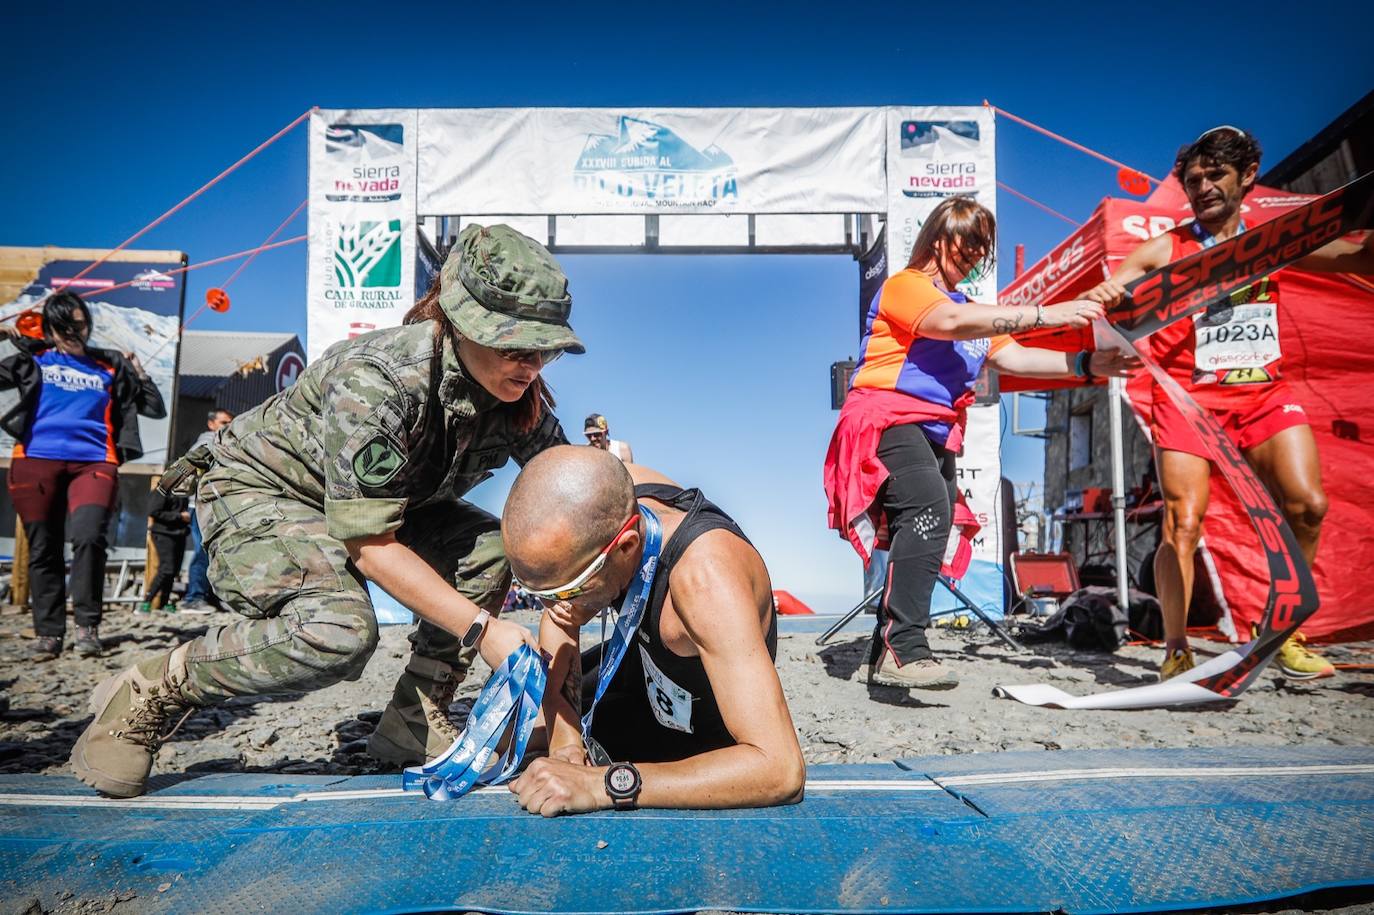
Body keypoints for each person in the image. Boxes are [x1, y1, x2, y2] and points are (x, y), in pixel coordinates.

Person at [70, 224, 583, 798]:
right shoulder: (380, 380)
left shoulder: (512, 394)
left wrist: (646, 500)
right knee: (339, 631)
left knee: (491, 549)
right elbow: (373, 546)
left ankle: (414, 720)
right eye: (513, 344)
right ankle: (159, 686)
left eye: (544, 348)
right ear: (460, 322)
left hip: (374, 510)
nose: (532, 363)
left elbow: (573, 481)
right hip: (264, 491)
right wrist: (482, 628)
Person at [1083, 126, 1374, 681]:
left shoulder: (1275, 239)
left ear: (1246, 177)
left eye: (1215, 175)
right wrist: (1106, 292)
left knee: (1308, 504)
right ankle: (1175, 649)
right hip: (1191, 400)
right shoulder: (1169, 246)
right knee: (1182, 524)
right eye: (1193, 179)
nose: (1203, 186)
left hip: (1263, 393)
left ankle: (1284, 630)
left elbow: (1359, 261)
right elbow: (1116, 288)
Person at [824, 195, 1139, 690]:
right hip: (885, 415)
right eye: (964, 240)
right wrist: (1050, 312)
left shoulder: (972, 311)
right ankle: (904, 649)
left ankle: (889, 643)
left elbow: (1017, 360)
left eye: (980, 246)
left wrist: (1086, 367)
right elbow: (944, 324)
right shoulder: (907, 286)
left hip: (936, 429)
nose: (971, 252)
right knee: (927, 506)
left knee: (930, 520)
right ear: (936, 235)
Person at [502, 446, 804, 816]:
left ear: (626, 546)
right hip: (639, 658)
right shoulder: (617, 489)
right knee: (506, 732)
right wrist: (564, 741)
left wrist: (601, 785)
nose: (551, 608)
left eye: (564, 592)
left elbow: (780, 769)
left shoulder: (706, 583)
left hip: (695, 724)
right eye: (538, 593)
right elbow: (560, 620)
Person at [0, 291, 166, 660]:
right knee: (43, 547)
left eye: (81, 324)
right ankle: (49, 634)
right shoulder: (33, 359)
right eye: (65, 326)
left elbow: (154, 408)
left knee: (90, 538)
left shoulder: (109, 364)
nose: (75, 332)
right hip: (35, 459)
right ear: (50, 327)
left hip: (94, 462)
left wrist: (139, 371)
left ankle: (87, 627)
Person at [178, 408, 234, 615]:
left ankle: (210, 596)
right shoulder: (205, 444)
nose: (228, 426)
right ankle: (194, 597)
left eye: (230, 422)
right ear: (211, 424)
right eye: (223, 422)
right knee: (204, 551)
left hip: (219, 506)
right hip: (203, 507)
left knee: (217, 553)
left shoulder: (226, 443)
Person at [139, 486, 191, 613]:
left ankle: (164, 602)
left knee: (173, 570)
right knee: (166, 568)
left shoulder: (183, 492)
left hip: (179, 534)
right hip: (163, 534)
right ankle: (147, 601)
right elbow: (154, 512)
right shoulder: (161, 491)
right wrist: (179, 516)